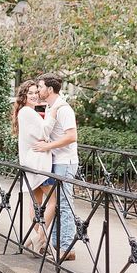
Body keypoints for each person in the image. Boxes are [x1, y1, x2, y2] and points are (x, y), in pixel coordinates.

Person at [12, 79, 63, 254]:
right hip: (40, 164)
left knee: (37, 203)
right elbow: (44, 132)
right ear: (24, 96)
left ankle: (35, 242)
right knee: (53, 203)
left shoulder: (26, 112)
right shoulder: (28, 112)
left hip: (32, 163)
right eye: (30, 93)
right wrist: (54, 113)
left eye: (35, 92)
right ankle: (39, 238)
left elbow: (38, 134)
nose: (34, 96)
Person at [32, 73, 78, 261]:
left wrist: (47, 146)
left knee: (65, 204)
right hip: (57, 161)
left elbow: (72, 136)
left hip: (65, 162)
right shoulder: (53, 107)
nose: (38, 90)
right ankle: (56, 244)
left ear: (49, 89)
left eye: (41, 87)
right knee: (58, 204)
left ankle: (67, 249)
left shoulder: (63, 109)